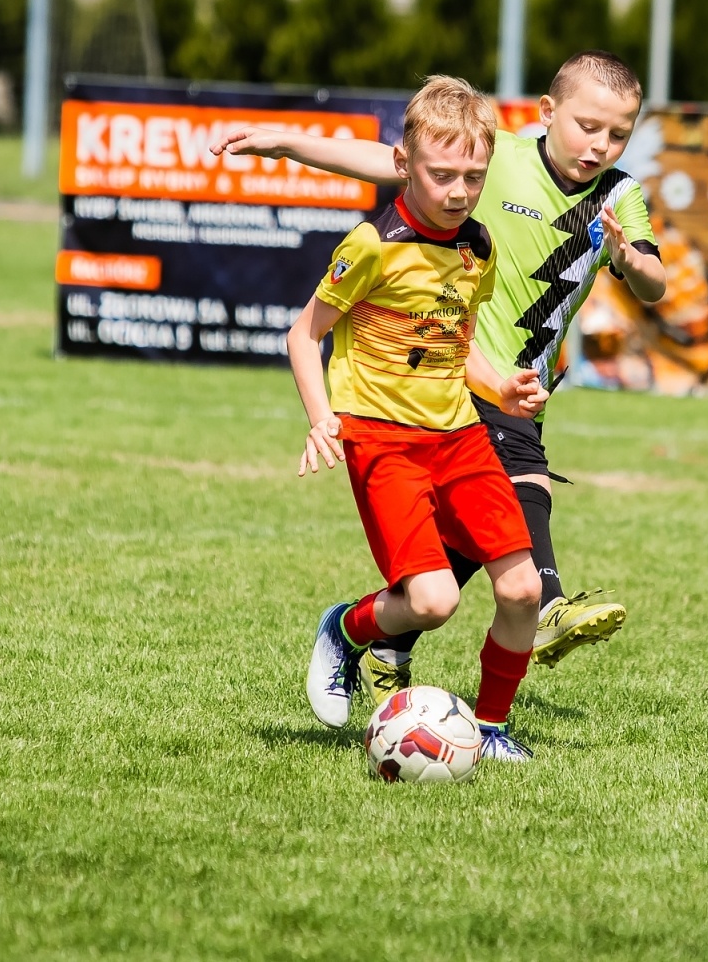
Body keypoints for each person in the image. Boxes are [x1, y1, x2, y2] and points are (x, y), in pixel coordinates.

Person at [216, 51, 667, 694]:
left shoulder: (619, 196)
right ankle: (549, 604)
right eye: (587, 126)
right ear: (548, 112)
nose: (600, 144)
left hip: (515, 381)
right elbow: (390, 160)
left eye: (617, 134)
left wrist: (629, 258)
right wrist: (290, 144)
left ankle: (390, 639)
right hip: (451, 378)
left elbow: (654, 281)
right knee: (523, 489)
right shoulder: (497, 156)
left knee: (453, 561)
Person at [284, 76, 549, 761]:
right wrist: (322, 419)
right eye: (441, 175)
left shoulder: (478, 246)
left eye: (473, 175)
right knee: (432, 602)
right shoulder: (370, 245)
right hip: (382, 439)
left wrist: (503, 388)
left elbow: (455, 346)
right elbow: (301, 333)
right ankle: (346, 628)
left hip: (460, 435)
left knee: (522, 590)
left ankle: (490, 730)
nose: (458, 190)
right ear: (403, 165)